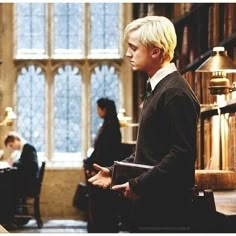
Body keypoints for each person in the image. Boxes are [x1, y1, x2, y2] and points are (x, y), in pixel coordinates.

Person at [88, 16, 200, 232]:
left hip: (166, 209)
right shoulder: (160, 89)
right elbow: (150, 150)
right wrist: (114, 172)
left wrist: (138, 184)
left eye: (133, 47)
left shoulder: (174, 92)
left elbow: (182, 154)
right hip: (153, 204)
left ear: (156, 51)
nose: (128, 53)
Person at [84, 98, 122, 233]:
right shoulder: (110, 125)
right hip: (104, 169)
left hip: (104, 172)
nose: (97, 111)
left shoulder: (109, 127)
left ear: (104, 109)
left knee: (103, 208)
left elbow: (103, 152)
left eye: (98, 109)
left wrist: (90, 163)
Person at [0, 132, 39, 227]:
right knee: (5, 186)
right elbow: (24, 164)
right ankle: (9, 217)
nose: (13, 148)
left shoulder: (28, 148)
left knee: (5, 189)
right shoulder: (24, 149)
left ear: (16, 140)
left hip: (30, 185)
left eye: (12, 145)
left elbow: (32, 167)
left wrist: (14, 164)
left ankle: (8, 218)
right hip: (27, 182)